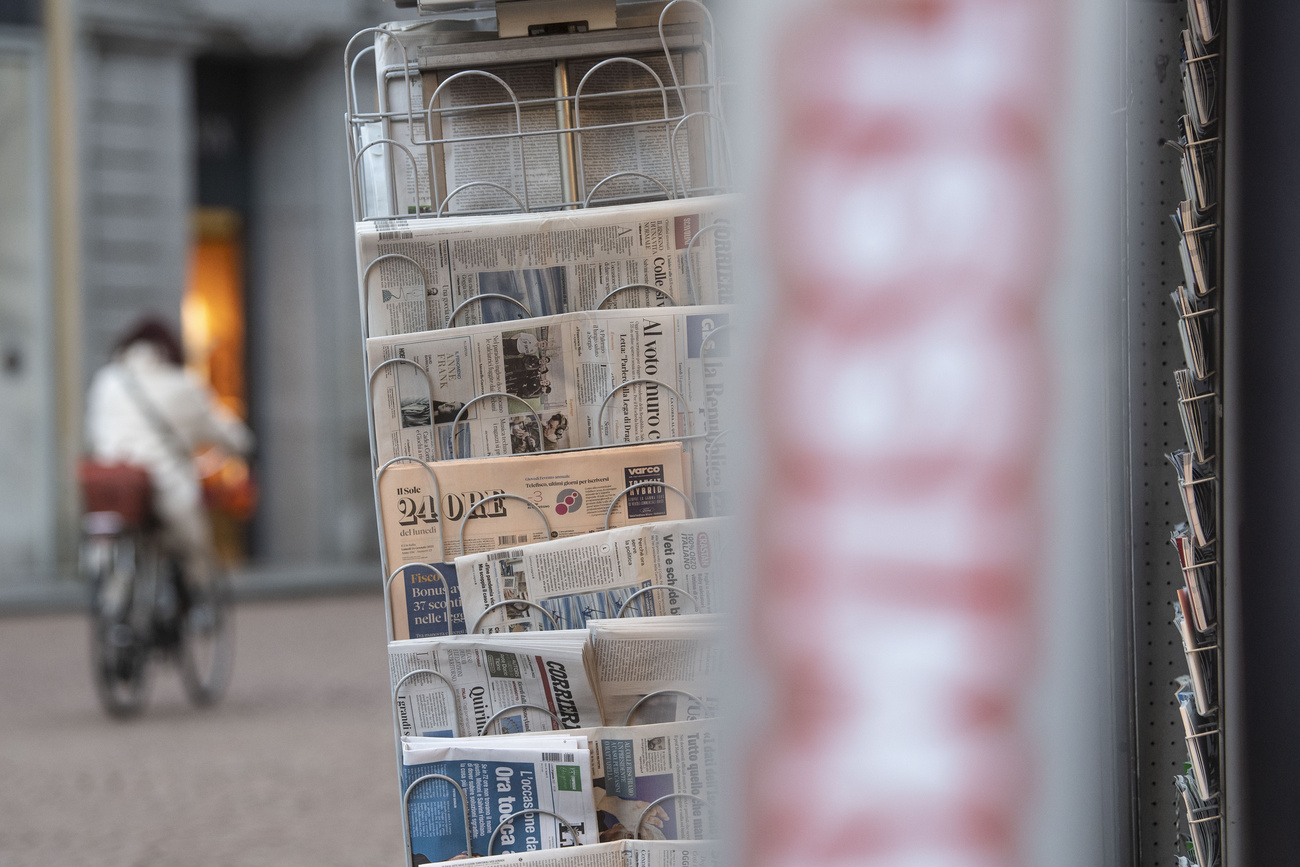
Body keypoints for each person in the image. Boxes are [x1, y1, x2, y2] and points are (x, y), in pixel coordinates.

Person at [85, 318, 254, 589]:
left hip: (115, 487)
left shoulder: (108, 380)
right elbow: (220, 429)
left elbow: (93, 431)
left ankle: (114, 611)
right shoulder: (181, 385)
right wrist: (244, 445)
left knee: (110, 553)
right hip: (165, 485)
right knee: (194, 548)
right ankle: (199, 601)